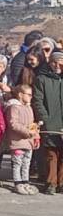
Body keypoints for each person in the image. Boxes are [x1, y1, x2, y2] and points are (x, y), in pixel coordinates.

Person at [32, 51, 63, 195]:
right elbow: (37, 101)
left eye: (60, 62)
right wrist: (45, 118)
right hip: (50, 122)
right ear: (49, 63)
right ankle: (51, 183)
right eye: (54, 62)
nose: (57, 65)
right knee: (52, 154)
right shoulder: (41, 79)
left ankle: (61, 183)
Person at [5, 84, 39, 195]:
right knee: (17, 162)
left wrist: (35, 135)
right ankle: (17, 183)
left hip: (28, 141)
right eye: (28, 94)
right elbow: (13, 124)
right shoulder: (13, 107)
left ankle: (25, 181)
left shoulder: (29, 108)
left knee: (26, 163)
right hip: (17, 141)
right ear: (20, 94)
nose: (30, 97)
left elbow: (32, 123)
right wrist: (27, 131)